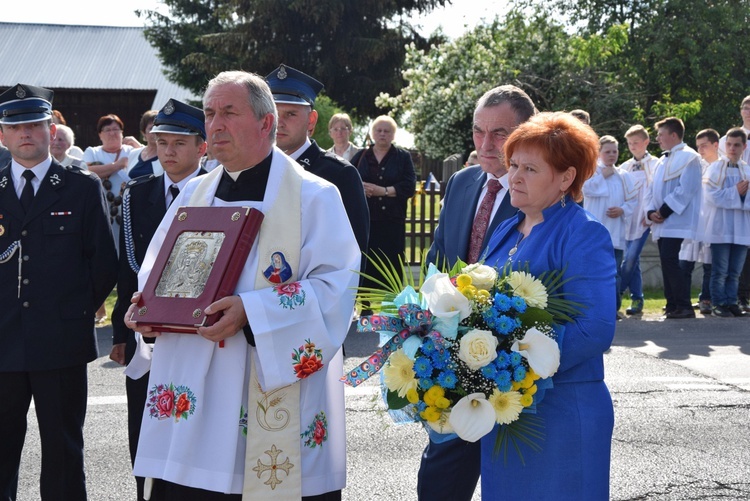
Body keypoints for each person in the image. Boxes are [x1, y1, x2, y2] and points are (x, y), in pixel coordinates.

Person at [124, 70, 359, 500]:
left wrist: (251, 312)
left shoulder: (313, 196)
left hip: (264, 388)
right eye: (210, 112)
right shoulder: (193, 195)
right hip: (193, 394)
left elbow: (336, 288)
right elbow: (157, 271)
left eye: (229, 113)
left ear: (266, 123)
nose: (214, 124)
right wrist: (148, 309)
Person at [482, 111, 615, 500]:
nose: (516, 177)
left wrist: (510, 362)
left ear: (566, 178)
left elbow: (595, 330)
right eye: (514, 166)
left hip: (562, 412)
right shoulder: (508, 226)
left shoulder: (583, 233)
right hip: (508, 411)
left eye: (530, 168)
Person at [0, 83, 118, 501]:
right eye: (15, 126)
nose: (25, 133)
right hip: (3, 340)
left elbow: (103, 263)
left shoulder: (81, 187)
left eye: (35, 124)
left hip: (61, 341)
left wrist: (68, 313)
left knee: (64, 450)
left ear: (52, 130)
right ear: (2, 136)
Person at [422, 85, 536, 500]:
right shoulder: (462, 182)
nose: (486, 145)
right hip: (449, 364)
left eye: (500, 133)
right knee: (439, 484)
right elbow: (437, 260)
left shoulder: (543, 195)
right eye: (478, 132)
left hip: (509, 372)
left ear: (527, 132)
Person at [109, 98, 207, 501]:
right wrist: (120, 330)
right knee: (145, 425)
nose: (168, 151)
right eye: (161, 142)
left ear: (202, 147)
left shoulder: (216, 192)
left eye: (179, 143)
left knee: (194, 425)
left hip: (196, 330)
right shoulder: (139, 191)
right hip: (145, 329)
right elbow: (128, 264)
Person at [266, 64, 369, 258]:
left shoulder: (339, 174)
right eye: (275, 114)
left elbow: (355, 255)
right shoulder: (256, 170)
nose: (280, 123)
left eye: (291, 114)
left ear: (311, 121)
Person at [645, 117, 703, 319]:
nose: (658, 139)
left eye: (661, 134)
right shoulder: (663, 160)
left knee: (670, 260)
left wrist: (664, 210)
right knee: (666, 260)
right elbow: (651, 188)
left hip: (678, 220)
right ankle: (672, 305)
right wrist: (650, 211)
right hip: (663, 221)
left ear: (674, 135)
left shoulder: (690, 158)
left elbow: (686, 190)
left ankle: (684, 305)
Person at [351, 115, 416, 293]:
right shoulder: (361, 156)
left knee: (391, 262)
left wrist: (385, 191)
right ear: (372, 133)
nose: (382, 134)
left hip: (392, 221)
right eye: (378, 130)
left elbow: (409, 186)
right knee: (365, 262)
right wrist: (360, 188)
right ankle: (364, 306)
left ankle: (391, 304)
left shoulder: (402, 157)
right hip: (366, 221)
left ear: (393, 135)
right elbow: (348, 181)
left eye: (386, 131)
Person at [583, 135, 637, 316]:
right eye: (608, 151)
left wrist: (622, 210)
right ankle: (596, 309)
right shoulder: (591, 171)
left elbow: (633, 200)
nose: (612, 155)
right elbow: (585, 190)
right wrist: (602, 177)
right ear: (599, 153)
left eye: (615, 151)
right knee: (594, 272)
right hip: (595, 233)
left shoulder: (623, 175)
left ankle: (613, 309)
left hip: (615, 233)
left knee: (614, 273)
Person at [699, 127, 750, 317]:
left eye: (737, 145)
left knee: (735, 271)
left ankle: (731, 302)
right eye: (729, 144)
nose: (732, 148)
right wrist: (735, 192)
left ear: (744, 146)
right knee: (720, 271)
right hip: (720, 226)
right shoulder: (715, 168)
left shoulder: (747, 169)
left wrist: (742, 196)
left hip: (742, 227)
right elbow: (710, 196)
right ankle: (718, 303)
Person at [680, 128, 720, 315]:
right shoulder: (698, 166)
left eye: (704, 146)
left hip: (714, 222)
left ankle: (707, 298)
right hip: (695, 221)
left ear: (715, 145)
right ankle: (682, 300)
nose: (701, 150)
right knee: (685, 262)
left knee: (709, 264)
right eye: (698, 147)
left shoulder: (723, 167)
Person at [619, 125, 658, 315]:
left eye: (636, 142)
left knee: (630, 260)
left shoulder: (656, 164)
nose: (633, 147)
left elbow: (656, 192)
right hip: (627, 219)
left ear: (646, 142)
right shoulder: (624, 167)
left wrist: (649, 214)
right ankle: (637, 298)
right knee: (633, 263)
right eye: (629, 143)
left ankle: (616, 293)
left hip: (643, 221)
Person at [127, 109, 163, 179]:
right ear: (143, 132)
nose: (155, 132)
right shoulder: (133, 153)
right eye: (151, 128)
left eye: (158, 127)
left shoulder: (166, 155)